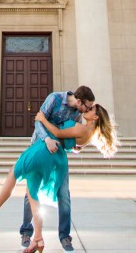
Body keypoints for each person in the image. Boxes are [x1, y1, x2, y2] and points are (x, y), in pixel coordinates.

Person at [0, 97, 117, 253]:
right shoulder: (88, 131)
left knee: (13, 173)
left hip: (44, 150)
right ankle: (38, 239)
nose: (86, 110)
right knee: (32, 192)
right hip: (52, 154)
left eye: (90, 110)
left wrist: (42, 119)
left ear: (95, 117)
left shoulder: (84, 129)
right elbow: (72, 144)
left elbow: (58, 132)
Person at [18, 87, 95, 252]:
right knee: (31, 193)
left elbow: (67, 134)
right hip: (39, 149)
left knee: (64, 194)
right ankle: (26, 231)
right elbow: (39, 120)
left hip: (59, 154)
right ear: (79, 101)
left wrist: (74, 147)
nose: (88, 110)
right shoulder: (54, 99)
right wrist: (46, 140)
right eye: (87, 107)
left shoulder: (77, 114)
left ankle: (65, 237)